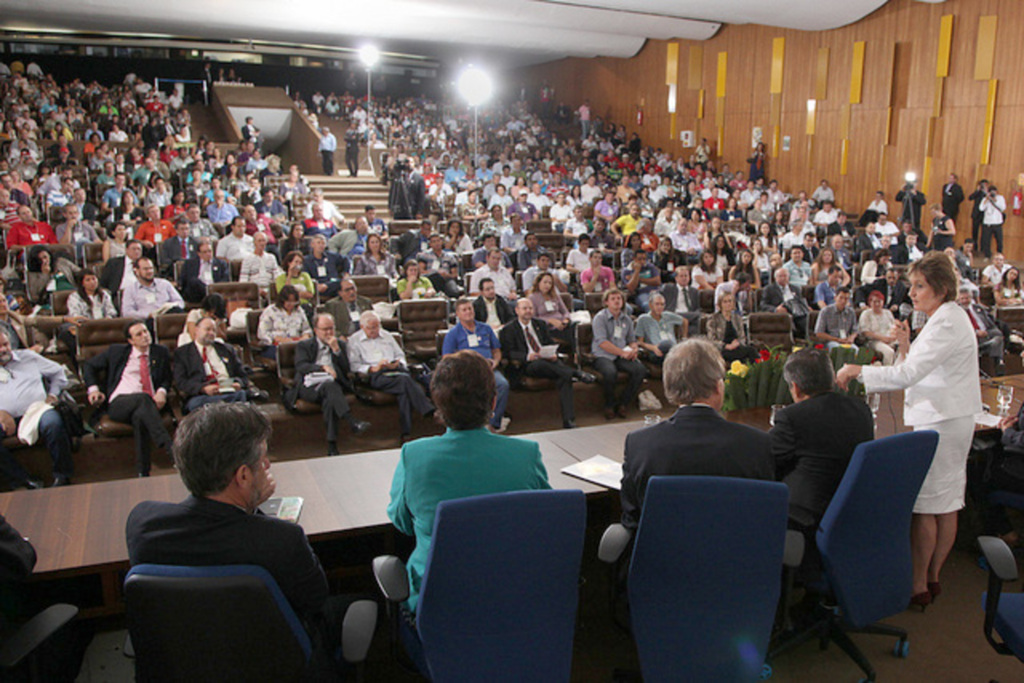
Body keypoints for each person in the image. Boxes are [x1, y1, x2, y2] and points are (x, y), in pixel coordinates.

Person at [126, 403, 363, 677]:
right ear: (242, 475)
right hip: (277, 667)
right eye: (262, 458)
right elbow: (315, 600)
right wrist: (254, 509)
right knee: (355, 605)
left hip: (184, 665)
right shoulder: (282, 539)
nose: (268, 464)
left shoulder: (142, 524)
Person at [837, 251, 982, 609]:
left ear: (942, 288)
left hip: (942, 420)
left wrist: (858, 371)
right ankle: (933, 577)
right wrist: (905, 345)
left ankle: (918, 584)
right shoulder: (946, 317)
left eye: (920, 286)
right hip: (952, 416)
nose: (912, 293)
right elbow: (920, 364)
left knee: (928, 504)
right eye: (912, 285)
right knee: (947, 501)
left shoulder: (947, 321)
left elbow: (908, 375)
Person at [386, 350, 551, 612]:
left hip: (435, 605)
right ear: (494, 401)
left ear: (438, 405)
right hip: (511, 597)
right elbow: (542, 521)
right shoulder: (526, 454)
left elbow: (403, 523)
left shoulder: (413, 455)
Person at [620, 338, 773, 530]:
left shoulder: (638, 444)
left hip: (662, 557)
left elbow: (631, 519)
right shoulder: (757, 444)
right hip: (735, 556)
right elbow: (765, 517)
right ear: (719, 387)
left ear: (670, 387)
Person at [771, 348, 874, 578]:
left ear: (795, 387)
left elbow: (767, 459)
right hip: (851, 508)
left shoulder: (793, 417)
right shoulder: (861, 409)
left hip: (807, 515)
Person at [83, 320, 174, 478]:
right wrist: (94, 389)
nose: (145, 336)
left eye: (145, 331)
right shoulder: (117, 352)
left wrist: (162, 391)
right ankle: (170, 448)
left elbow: (167, 378)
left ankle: (142, 471)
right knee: (144, 400)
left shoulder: (160, 352)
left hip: (149, 404)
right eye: (139, 334)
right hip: (120, 403)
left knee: (140, 417)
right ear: (130, 340)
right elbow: (89, 365)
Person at [500, 298, 593, 429]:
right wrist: (527, 356)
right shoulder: (509, 329)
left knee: (564, 377)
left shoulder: (540, 324)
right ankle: (576, 373)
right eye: (524, 308)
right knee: (541, 364)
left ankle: (569, 420)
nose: (528, 311)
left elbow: (549, 343)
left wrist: (552, 353)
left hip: (547, 361)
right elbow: (508, 353)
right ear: (517, 310)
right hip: (526, 365)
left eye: (530, 308)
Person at [0, 330, 74, 488]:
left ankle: (62, 476)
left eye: (5, 344)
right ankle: (24, 480)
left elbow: (58, 372)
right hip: (5, 418)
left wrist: (53, 395)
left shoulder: (28, 357)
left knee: (53, 423)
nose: (3, 350)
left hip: (37, 411)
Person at [289, 314, 371, 455]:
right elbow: (301, 366)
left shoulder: (340, 345)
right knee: (330, 387)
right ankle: (351, 421)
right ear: (316, 330)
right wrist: (322, 368)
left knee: (329, 399)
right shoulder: (304, 345)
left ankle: (332, 446)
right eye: (325, 329)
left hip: (332, 387)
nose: (329, 333)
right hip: (310, 386)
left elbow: (347, 370)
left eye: (331, 329)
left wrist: (337, 351)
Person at [347, 311, 434, 442]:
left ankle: (406, 433)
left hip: (395, 371)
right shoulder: (354, 341)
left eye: (377, 326)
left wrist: (397, 363)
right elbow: (354, 366)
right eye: (371, 328)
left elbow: (400, 355)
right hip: (375, 375)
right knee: (405, 380)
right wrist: (373, 368)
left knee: (403, 392)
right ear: (362, 327)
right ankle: (427, 409)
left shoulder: (386, 336)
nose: (375, 330)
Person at [442, 298, 510, 432]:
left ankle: (492, 424)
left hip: (487, 368)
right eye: (464, 310)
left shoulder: (485, 328)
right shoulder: (453, 334)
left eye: (470, 309)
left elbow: (496, 351)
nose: (468, 312)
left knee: (503, 384)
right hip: (466, 371)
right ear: (458, 314)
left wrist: (495, 362)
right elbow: (446, 357)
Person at [173, 317, 251, 413]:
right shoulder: (182, 353)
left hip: (228, 389)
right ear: (196, 330)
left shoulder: (227, 349)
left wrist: (238, 383)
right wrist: (203, 388)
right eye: (207, 329)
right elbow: (181, 382)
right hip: (202, 395)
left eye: (214, 330)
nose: (211, 333)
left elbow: (243, 375)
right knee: (196, 404)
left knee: (240, 395)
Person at [591, 289, 647, 420]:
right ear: (606, 302)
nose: (617, 301)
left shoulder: (626, 319)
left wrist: (634, 350)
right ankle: (609, 405)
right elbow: (602, 342)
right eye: (613, 299)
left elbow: (632, 340)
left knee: (640, 370)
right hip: (603, 355)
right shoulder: (600, 318)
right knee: (610, 372)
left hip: (622, 354)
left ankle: (623, 403)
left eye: (619, 299)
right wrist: (622, 352)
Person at [256, 285, 312, 358]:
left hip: (297, 344)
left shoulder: (299, 310)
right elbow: (262, 333)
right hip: (277, 346)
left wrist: (305, 336)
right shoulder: (270, 310)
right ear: (282, 300)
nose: (291, 304)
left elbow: (306, 329)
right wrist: (276, 338)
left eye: (294, 301)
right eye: (288, 301)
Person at [958, 286, 1004, 374]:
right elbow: (961, 328)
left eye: (967, 298)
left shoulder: (978, 308)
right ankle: (998, 362)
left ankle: (991, 352)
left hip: (987, 333)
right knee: (997, 341)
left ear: (971, 298)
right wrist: (976, 332)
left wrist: (987, 332)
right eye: (962, 299)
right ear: (958, 300)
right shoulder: (958, 311)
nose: (964, 301)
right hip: (972, 336)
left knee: (998, 334)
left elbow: (990, 324)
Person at [121, 257, 185, 319]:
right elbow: (127, 312)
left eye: (151, 268)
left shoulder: (164, 284)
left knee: (178, 311)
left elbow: (180, 302)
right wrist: (148, 315)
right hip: (147, 320)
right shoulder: (130, 290)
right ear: (136, 271)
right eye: (146, 269)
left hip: (167, 316)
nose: (149, 271)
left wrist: (171, 305)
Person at [707, 292, 758, 363]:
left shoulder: (737, 318)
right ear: (720, 304)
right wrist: (726, 346)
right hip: (722, 349)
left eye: (730, 301)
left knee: (752, 351)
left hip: (736, 346)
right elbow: (711, 340)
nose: (728, 304)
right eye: (725, 302)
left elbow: (742, 337)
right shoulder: (713, 319)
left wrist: (737, 343)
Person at [636, 292, 685, 361]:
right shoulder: (643, 319)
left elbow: (685, 321)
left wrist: (684, 338)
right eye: (657, 304)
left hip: (672, 349)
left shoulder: (668, 315)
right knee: (667, 344)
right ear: (650, 305)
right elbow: (639, 342)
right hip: (656, 351)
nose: (660, 307)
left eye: (662, 304)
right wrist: (653, 348)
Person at [179, 238, 230, 303]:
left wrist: (213, 288)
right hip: (197, 293)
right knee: (194, 281)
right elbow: (185, 281)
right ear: (199, 254)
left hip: (215, 291)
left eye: (210, 251)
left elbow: (226, 279)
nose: (208, 254)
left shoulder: (221, 263)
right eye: (205, 252)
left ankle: (210, 294)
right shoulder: (189, 264)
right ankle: (208, 292)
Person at [859, 290, 897, 365]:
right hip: (875, 341)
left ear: (883, 302)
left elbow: (894, 327)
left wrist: (892, 337)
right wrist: (883, 338)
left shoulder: (888, 313)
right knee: (889, 352)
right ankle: (887, 373)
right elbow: (865, 332)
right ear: (870, 303)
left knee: (903, 349)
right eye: (874, 302)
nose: (877, 304)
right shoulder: (866, 314)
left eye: (879, 301)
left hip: (890, 339)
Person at [814, 286, 859, 350]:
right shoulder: (826, 311)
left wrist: (851, 338)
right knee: (837, 349)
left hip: (846, 341)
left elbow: (855, 330)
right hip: (831, 341)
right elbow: (819, 333)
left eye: (846, 299)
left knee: (855, 349)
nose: (843, 301)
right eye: (841, 298)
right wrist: (837, 339)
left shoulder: (851, 312)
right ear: (835, 298)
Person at [979, 185, 1007, 258]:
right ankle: (987, 255)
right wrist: (986, 199)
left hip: (997, 223)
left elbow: (1003, 208)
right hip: (987, 223)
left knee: (999, 240)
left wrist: (995, 200)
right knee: (986, 240)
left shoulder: (1000, 198)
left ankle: (999, 254)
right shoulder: (985, 199)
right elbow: (981, 208)